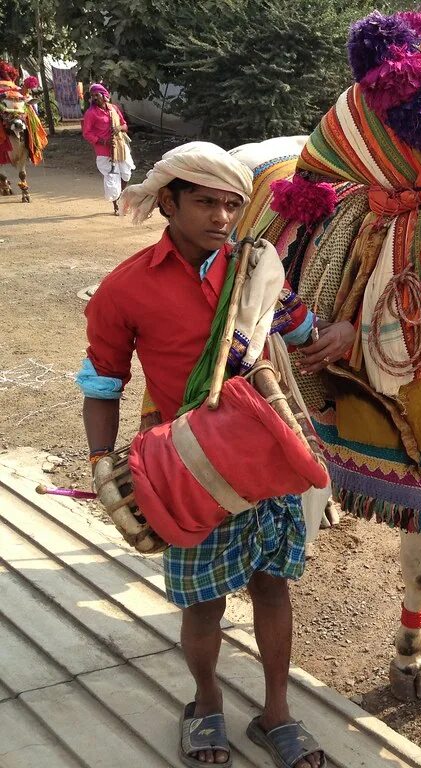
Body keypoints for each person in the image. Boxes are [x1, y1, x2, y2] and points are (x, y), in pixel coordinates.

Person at [77, 142, 355, 767]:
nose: (222, 217)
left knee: (273, 585)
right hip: (188, 468)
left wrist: (340, 336)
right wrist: (101, 462)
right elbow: (101, 383)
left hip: (265, 457)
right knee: (202, 600)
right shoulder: (125, 289)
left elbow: (303, 331)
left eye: (232, 205)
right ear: (168, 201)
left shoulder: (258, 271)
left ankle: (277, 712)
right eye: (205, 202)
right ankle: (205, 703)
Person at [81, 83, 135, 214]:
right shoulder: (91, 113)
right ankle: (116, 205)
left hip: (120, 146)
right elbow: (86, 133)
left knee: (126, 173)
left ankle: (121, 197)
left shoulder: (114, 109)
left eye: (97, 95)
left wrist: (119, 128)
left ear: (104, 96)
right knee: (112, 177)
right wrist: (102, 141)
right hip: (104, 151)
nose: (94, 98)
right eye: (92, 96)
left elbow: (125, 125)